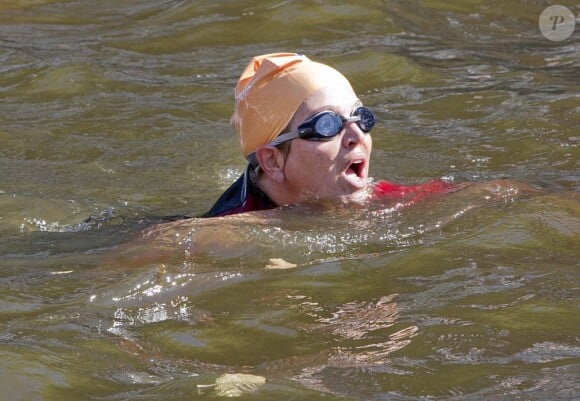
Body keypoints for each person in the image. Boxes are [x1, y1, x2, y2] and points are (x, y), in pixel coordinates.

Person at [203, 52, 457, 218]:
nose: (356, 134)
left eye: (360, 116)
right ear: (272, 160)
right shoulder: (229, 230)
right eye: (328, 124)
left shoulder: (371, 195)